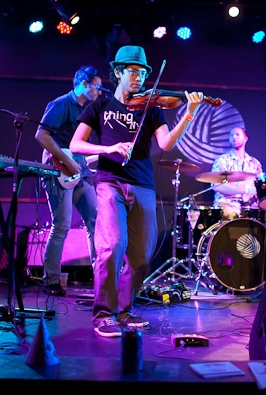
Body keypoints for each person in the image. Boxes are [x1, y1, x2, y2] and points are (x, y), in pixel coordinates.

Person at [69, 45, 204, 337]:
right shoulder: (99, 107)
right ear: (118, 73)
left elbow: (166, 144)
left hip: (142, 184)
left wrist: (189, 113)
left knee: (141, 254)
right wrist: (108, 148)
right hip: (109, 181)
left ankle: (125, 310)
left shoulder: (151, 108)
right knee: (112, 245)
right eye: (132, 71)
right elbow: (75, 145)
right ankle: (104, 314)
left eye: (142, 73)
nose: (138, 78)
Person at [34, 65, 102, 296]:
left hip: (79, 170)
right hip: (58, 168)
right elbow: (42, 135)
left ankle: (101, 276)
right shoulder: (62, 103)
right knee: (62, 224)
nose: (100, 92)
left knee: (95, 219)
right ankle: (51, 279)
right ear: (84, 85)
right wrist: (67, 161)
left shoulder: (87, 109)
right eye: (97, 87)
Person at [210, 126, 266, 264]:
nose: (234, 137)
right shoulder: (222, 160)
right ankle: (228, 265)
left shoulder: (254, 163)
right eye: (231, 136)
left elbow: (260, 189)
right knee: (230, 212)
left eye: (237, 134)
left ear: (245, 138)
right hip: (228, 204)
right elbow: (217, 185)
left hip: (252, 206)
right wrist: (245, 190)